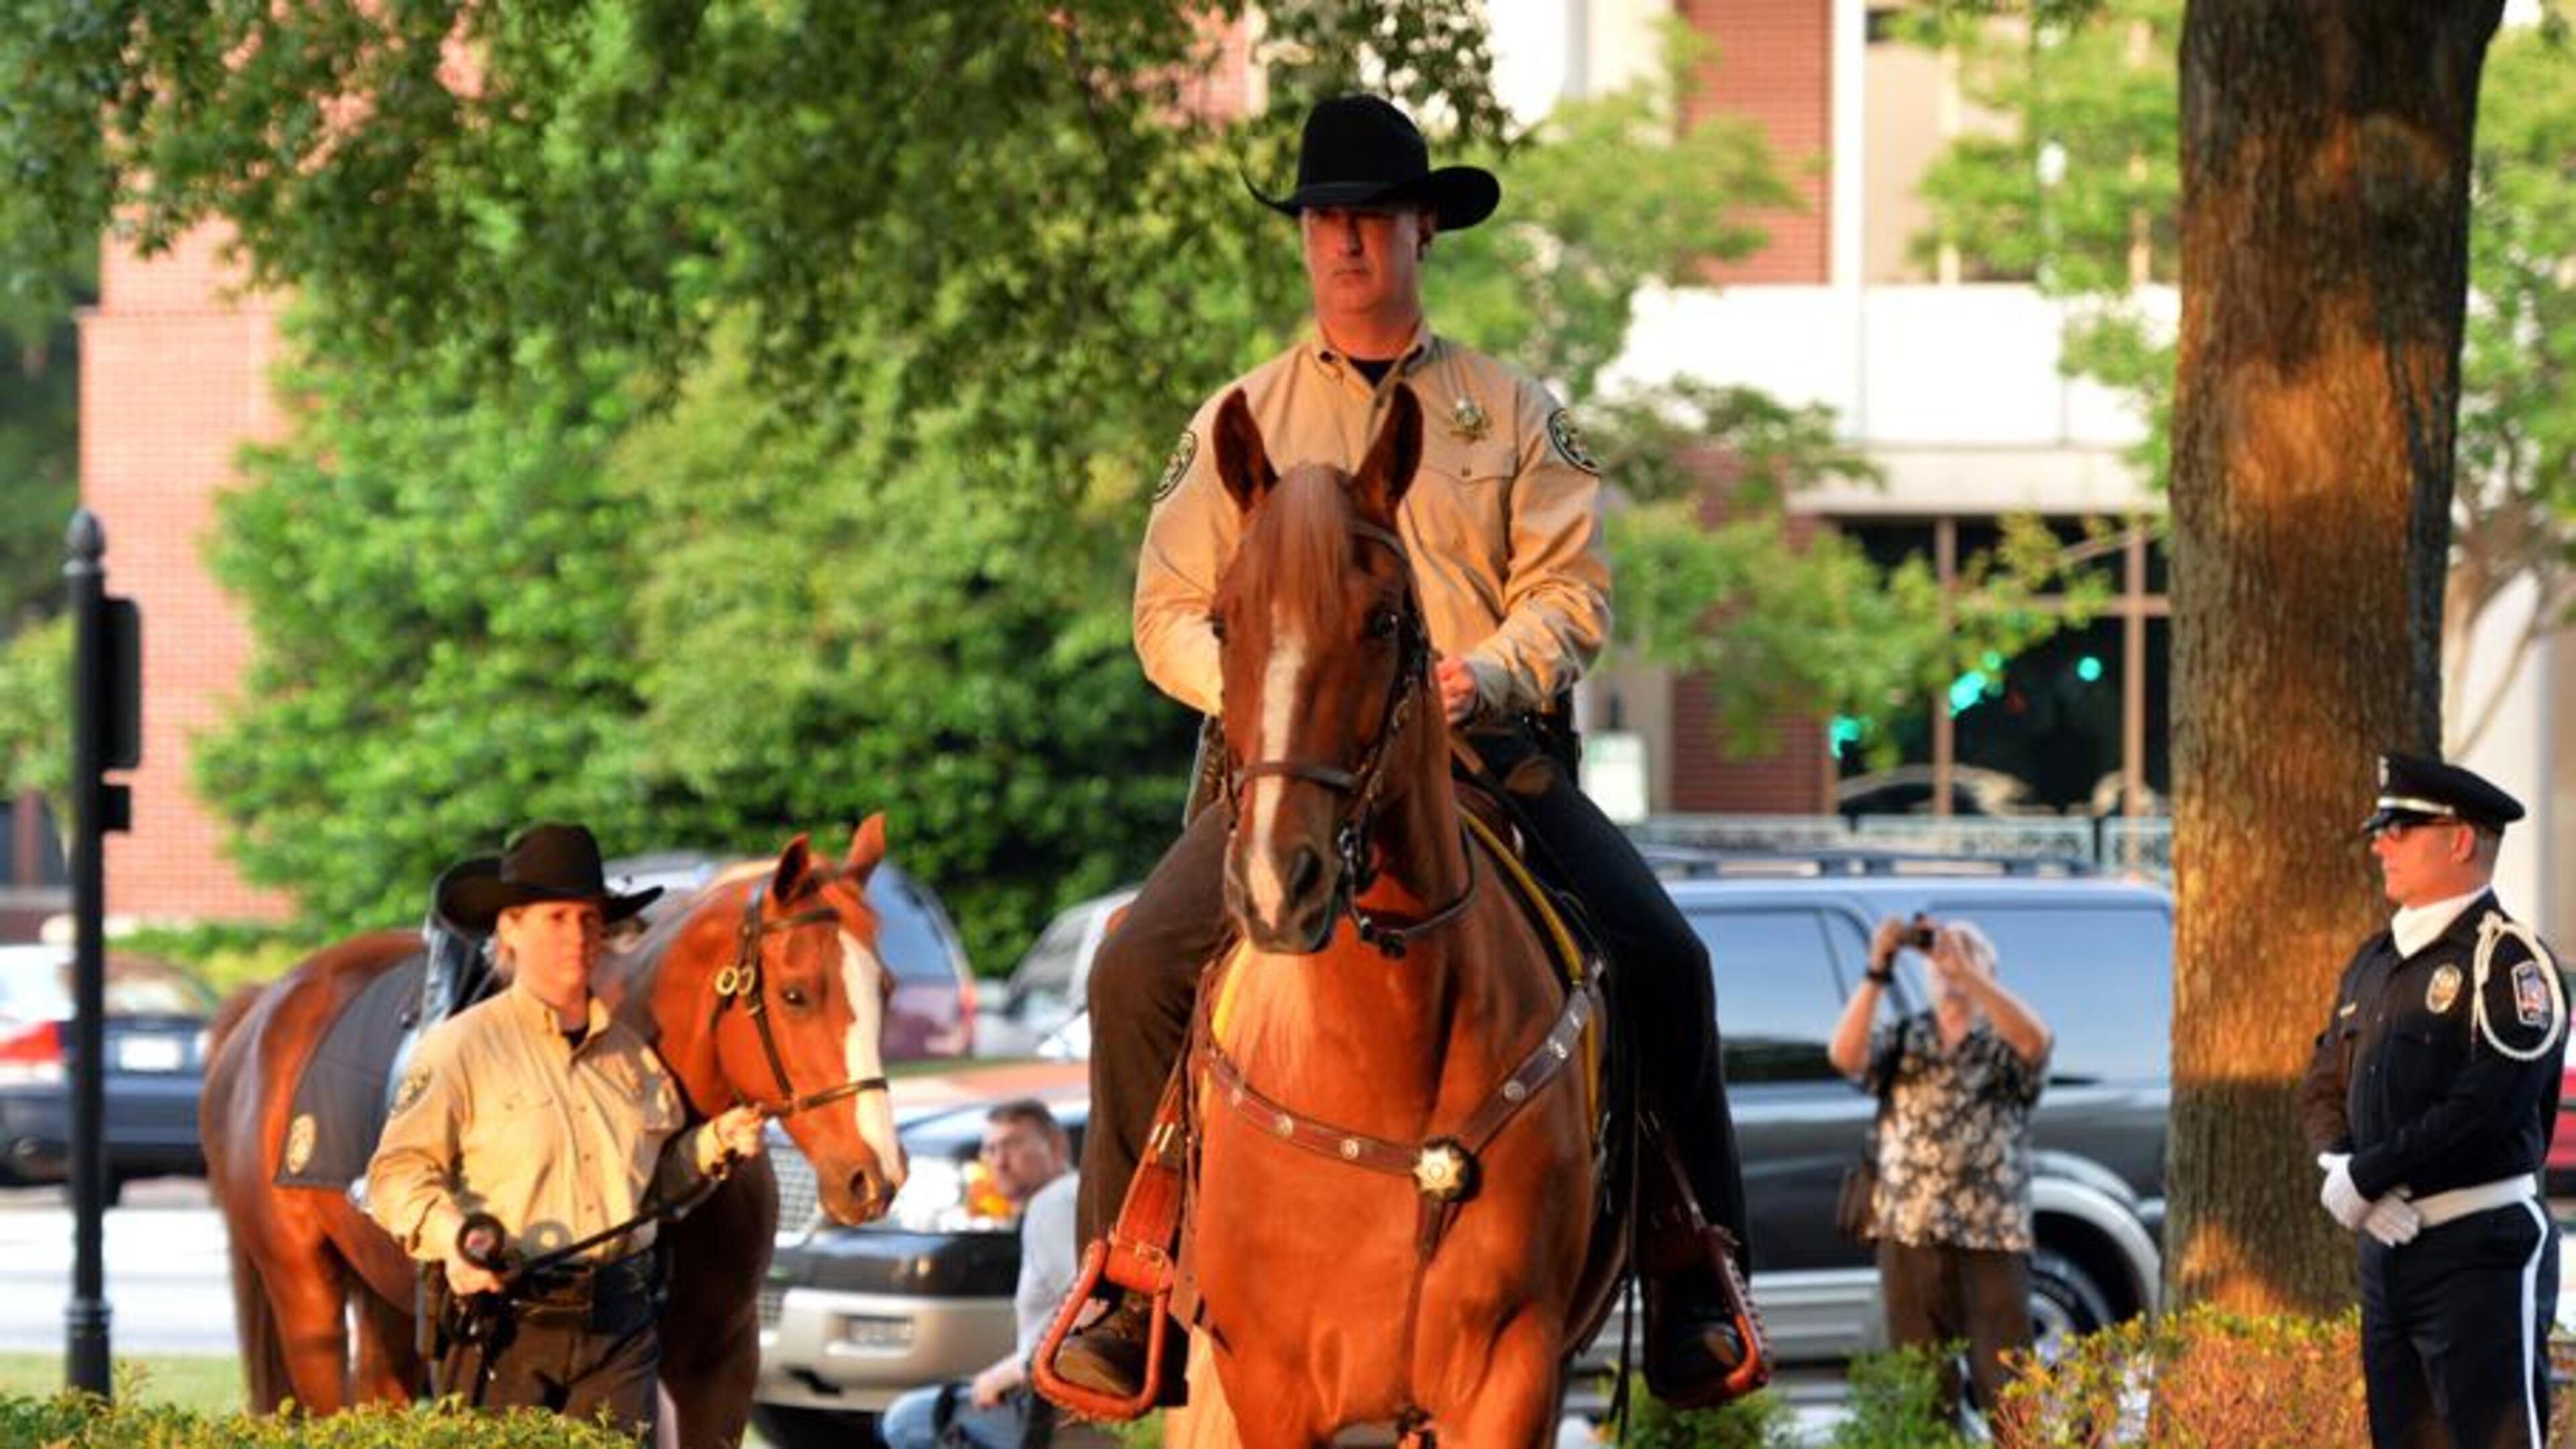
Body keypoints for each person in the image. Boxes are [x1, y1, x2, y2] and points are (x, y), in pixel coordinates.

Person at [1051, 92, 1752, 1403]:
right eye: (1325, 219)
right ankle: (1128, 1272)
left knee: (1665, 956)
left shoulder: (1514, 412)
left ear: (1425, 228)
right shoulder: (1236, 422)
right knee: (1135, 968)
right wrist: (1264, 701)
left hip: (1484, 759)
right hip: (1294, 772)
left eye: (1371, 217)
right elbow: (1162, 613)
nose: (1347, 242)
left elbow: (1572, 594)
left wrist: (1481, 674)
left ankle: (1691, 1268)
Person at [366, 822, 768, 1438]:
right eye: (555, 918)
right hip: (504, 1323)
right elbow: (395, 1177)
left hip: (620, 1323)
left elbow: (652, 1191)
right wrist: (457, 1240)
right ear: (510, 929)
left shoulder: (634, 1060)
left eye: (588, 920)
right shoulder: (461, 1049)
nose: (576, 937)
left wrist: (714, 1144)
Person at [2298, 753, 2565, 1448]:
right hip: (2389, 1251)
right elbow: (2325, 1081)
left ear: (2460, 840)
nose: (2380, 842)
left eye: (2401, 827)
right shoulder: (2374, 959)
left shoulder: (2509, 963)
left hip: (2480, 1251)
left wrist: (2368, 1174)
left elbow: (2487, 1108)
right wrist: (2344, 1170)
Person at [1827, 916, 2051, 1427]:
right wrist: (1878, 968)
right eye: (1944, 956)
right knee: (1921, 1384)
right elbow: (1844, 1054)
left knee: (2009, 1384)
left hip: (1991, 1236)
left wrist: (1969, 975)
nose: (1951, 961)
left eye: (1969, 952)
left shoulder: (2002, 1042)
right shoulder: (1908, 1036)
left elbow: (2036, 1044)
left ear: (1989, 972)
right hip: (1909, 1232)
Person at [881, 1101, 1079, 1449]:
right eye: (991, 1149)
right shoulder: (1071, 1196)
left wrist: (1014, 1371)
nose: (999, 1162)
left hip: (1059, 1413)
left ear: (1058, 1145)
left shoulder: (1052, 1205)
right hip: (1051, 1395)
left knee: (906, 1419)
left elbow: (1090, 1309)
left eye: (1015, 1144)